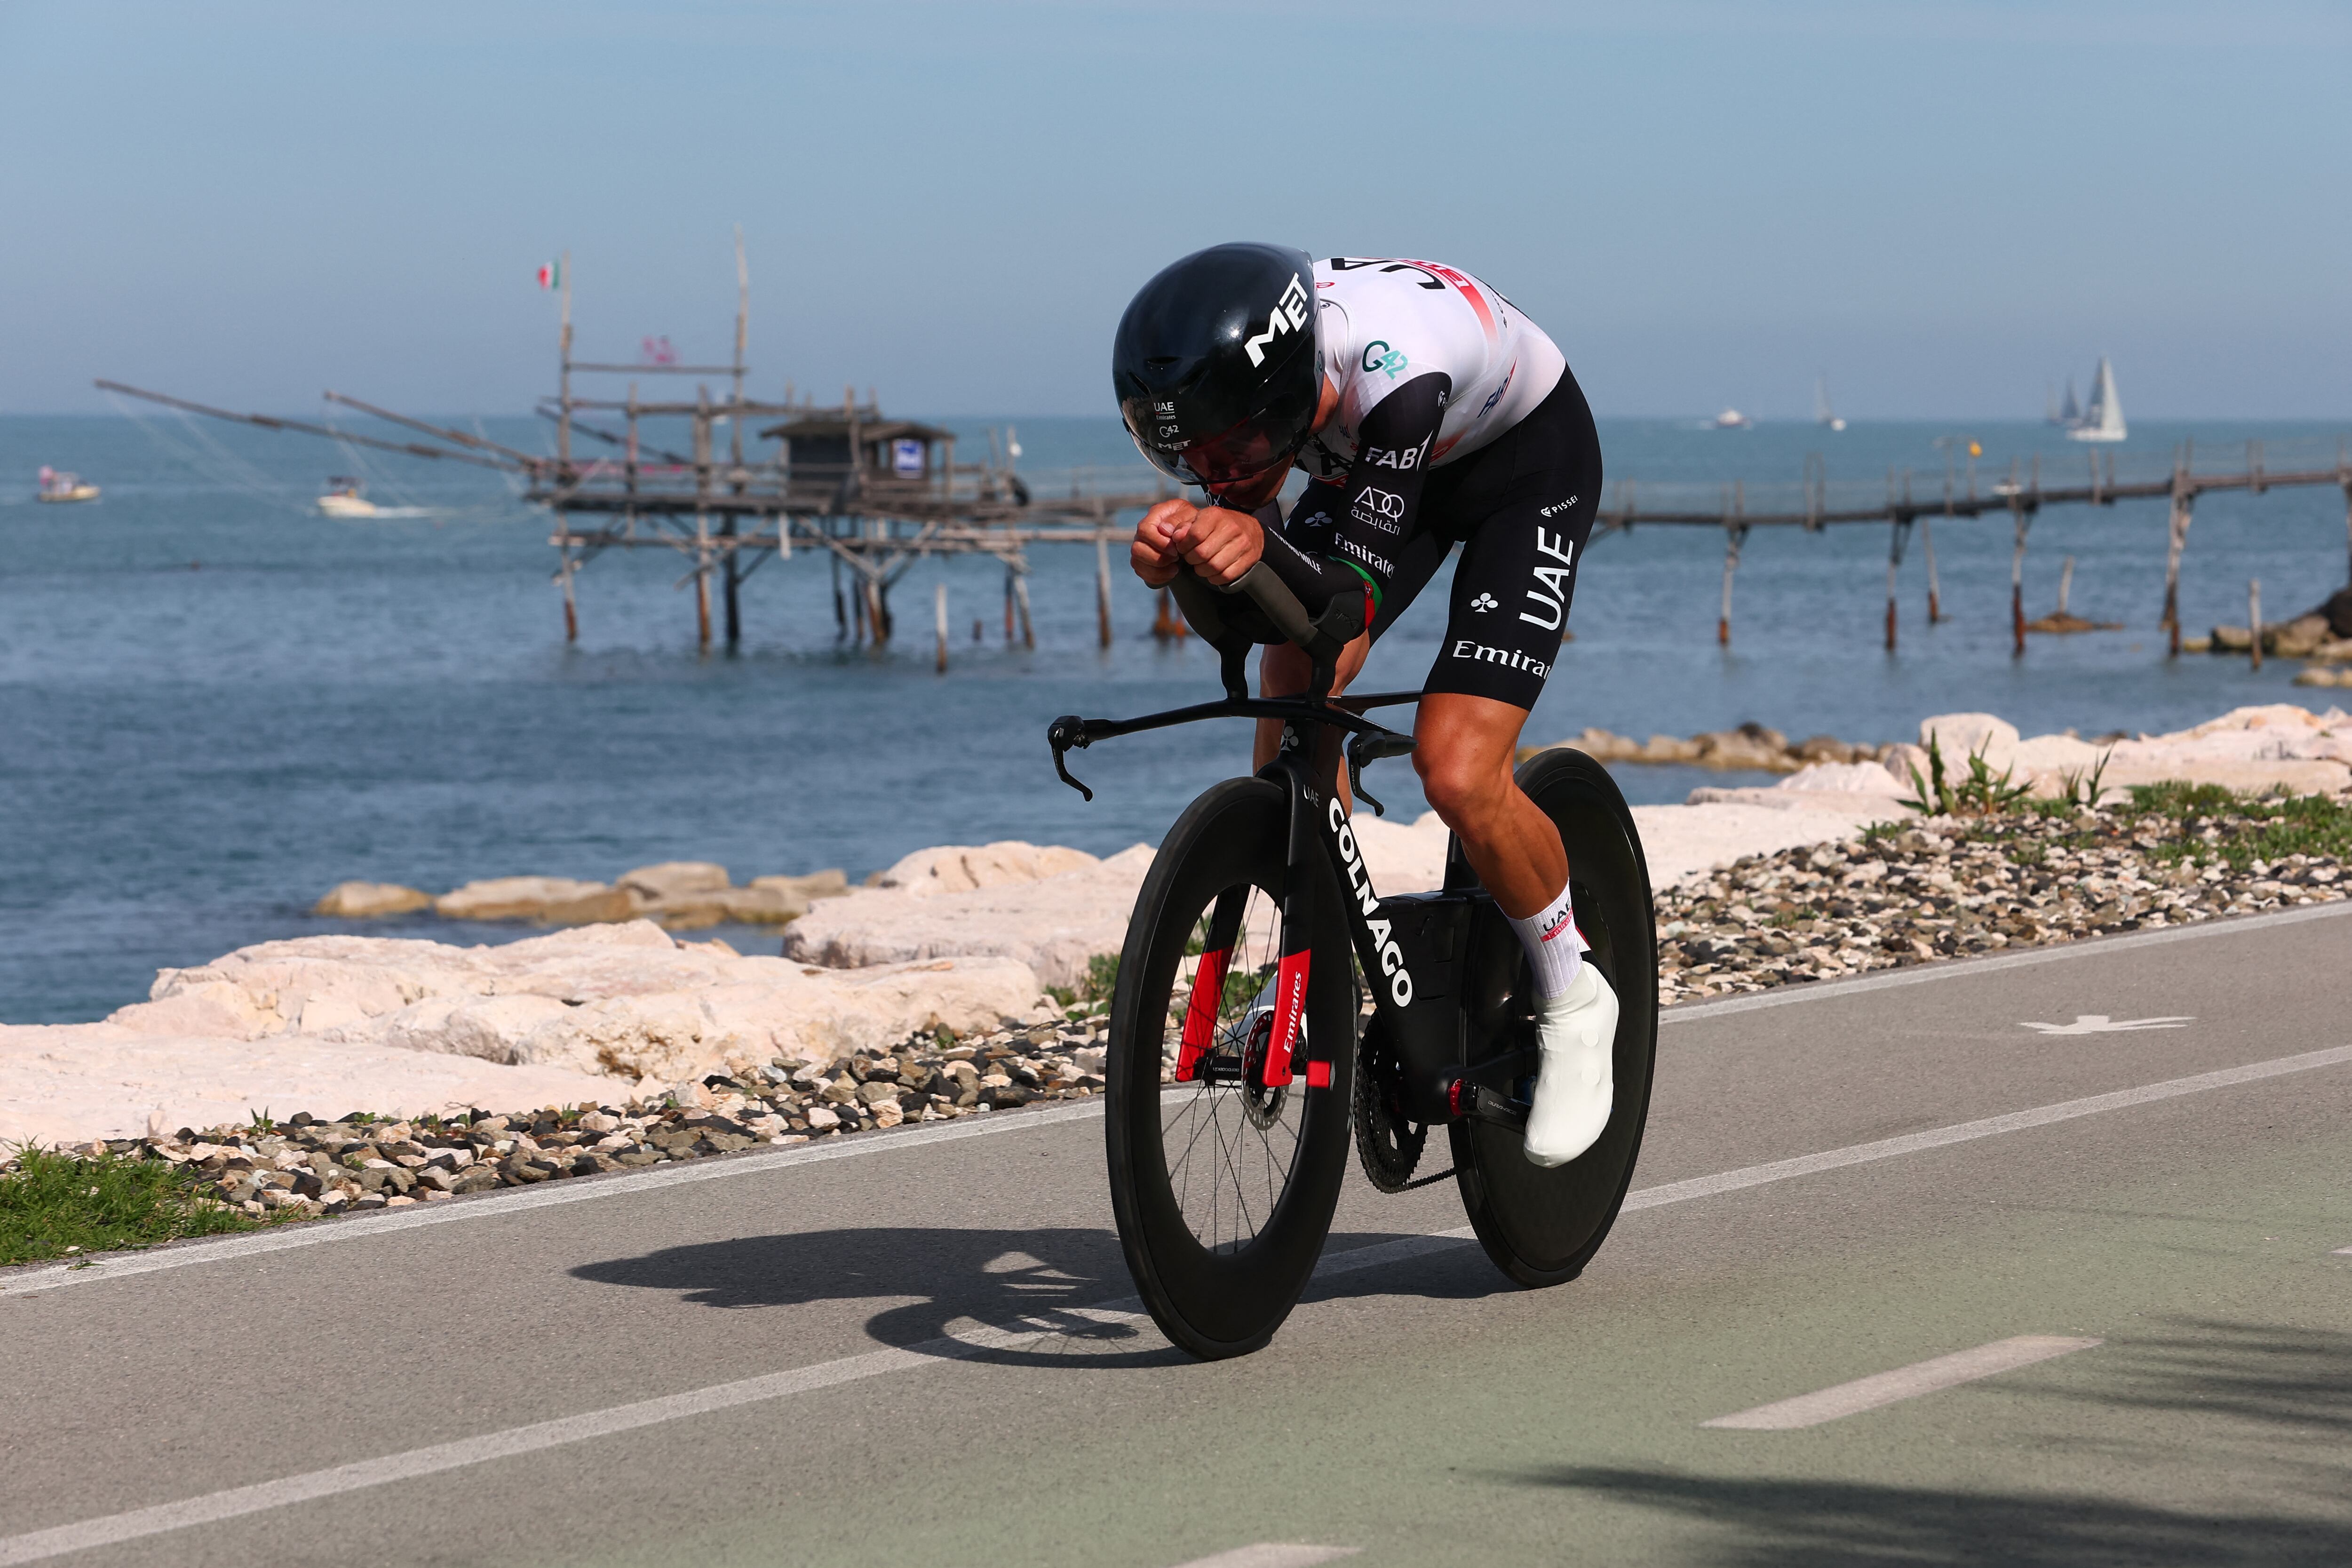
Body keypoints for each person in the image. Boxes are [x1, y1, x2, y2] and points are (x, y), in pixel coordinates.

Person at [1112, 242, 1614, 1168]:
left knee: (1457, 769)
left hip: (1522, 463)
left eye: (1233, 452)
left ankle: (1574, 992)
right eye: (1190, 461)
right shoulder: (1263, 360)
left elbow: (1343, 599)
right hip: (1378, 458)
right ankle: (1308, 952)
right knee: (1289, 675)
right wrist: (1181, 558)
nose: (1216, 477)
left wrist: (1252, 546)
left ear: (1292, 398)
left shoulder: (1398, 364)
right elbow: (1288, 624)